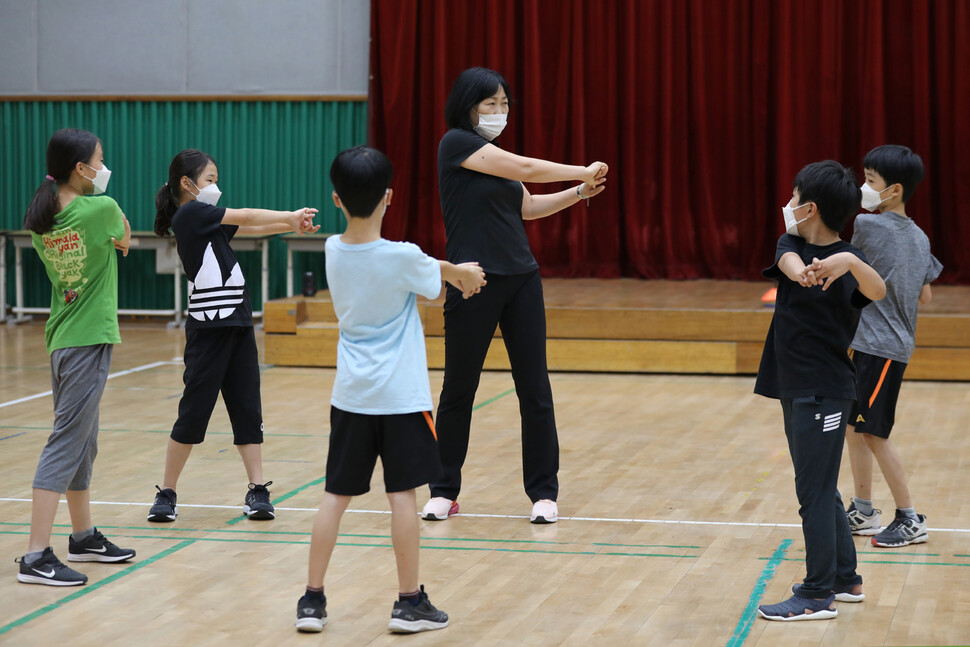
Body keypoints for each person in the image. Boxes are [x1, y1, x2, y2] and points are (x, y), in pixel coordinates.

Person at [295, 146, 485, 634]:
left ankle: (312, 600)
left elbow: (418, 265)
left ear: (337, 200)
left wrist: (449, 269)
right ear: (389, 197)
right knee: (403, 495)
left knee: (334, 497)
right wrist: (461, 273)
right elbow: (432, 283)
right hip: (400, 399)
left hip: (351, 396)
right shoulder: (404, 255)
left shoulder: (332, 250)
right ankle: (407, 603)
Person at [422, 67, 608, 524]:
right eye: (490, 104)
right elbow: (526, 168)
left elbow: (527, 206)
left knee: (535, 389)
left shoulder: (494, 155)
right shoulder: (457, 145)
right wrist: (580, 167)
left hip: (522, 278)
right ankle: (444, 491)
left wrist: (578, 191)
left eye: (505, 104)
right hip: (473, 280)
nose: (499, 112)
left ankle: (543, 494)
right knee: (458, 389)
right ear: (468, 107)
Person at [148, 149, 318, 523]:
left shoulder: (206, 219)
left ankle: (257, 489)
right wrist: (290, 215)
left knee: (246, 409)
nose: (216, 186)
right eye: (210, 179)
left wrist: (288, 226)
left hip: (239, 326)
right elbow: (246, 215)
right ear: (186, 184)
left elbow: (251, 228)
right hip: (207, 331)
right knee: (193, 414)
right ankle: (167, 492)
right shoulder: (191, 213)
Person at [754, 161, 886, 621]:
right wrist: (802, 272)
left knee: (812, 490)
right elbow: (788, 263)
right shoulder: (790, 244)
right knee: (821, 484)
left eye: (792, 199)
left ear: (808, 207)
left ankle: (816, 594)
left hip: (825, 391)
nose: (786, 207)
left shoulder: (850, 263)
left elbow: (880, 290)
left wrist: (848, 261)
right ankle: (845, 579)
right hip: (794, 386)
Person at [15, 128, 135, 586]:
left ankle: (82, 536)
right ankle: (34, 555)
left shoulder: (43, 216)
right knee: (67, 441)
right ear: (81, 169)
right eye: (99, 160)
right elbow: (124, 239)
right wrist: (111, 209)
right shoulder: (100, 208)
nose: (104, 167)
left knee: (85, 441)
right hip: (86, 341)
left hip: (63, 340)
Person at [843, 145, 942, 547]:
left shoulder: (868, 227)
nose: (862, 188)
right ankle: (864, 510)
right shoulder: (920, 237)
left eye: (869, 181)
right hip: (878, 344)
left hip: (880, 348)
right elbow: (926, 297)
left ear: (894, 190)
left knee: (873, 433)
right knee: (854, 428)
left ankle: (908, 518)